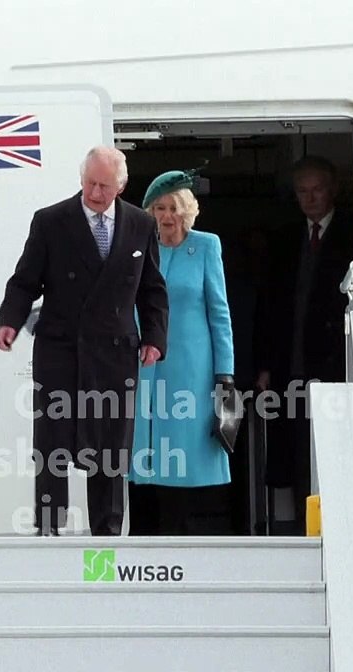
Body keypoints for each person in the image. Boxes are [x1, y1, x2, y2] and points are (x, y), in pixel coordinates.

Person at [0, 146, 169, 536]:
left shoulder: (141, 224)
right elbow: (24, 281)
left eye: (104, 186)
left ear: (121, 186)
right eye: (89, 183)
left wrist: (155, 337)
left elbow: (152, 289)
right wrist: (9, 320)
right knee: (53, 443)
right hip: (61, 350)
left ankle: (107, 533)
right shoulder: (51, 221)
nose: (94, 193)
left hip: (115, 353)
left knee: (110, 447)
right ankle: (49, 528)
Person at [254, 155, 353, 533]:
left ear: (333, 190)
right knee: (297, 450)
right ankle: (305, 529)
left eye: (317, 190)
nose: (310, 198)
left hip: (336, 364)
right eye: (303, 191)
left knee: (335, 449)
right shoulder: (285, 238)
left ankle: (338, 527)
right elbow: (267, 306)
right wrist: (264, 365)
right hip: (291, 364)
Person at [128, 170, 236, 535]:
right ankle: (144, 539)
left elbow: (219, 313)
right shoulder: (139, 247)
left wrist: (225, 373)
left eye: (173, 207)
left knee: (184, 456)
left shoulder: (206, 246)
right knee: (144, 455)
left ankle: (181, 537)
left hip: (192, 369)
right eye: (159, 208)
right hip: (146, 366)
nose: (167, 215)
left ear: (186, 211)